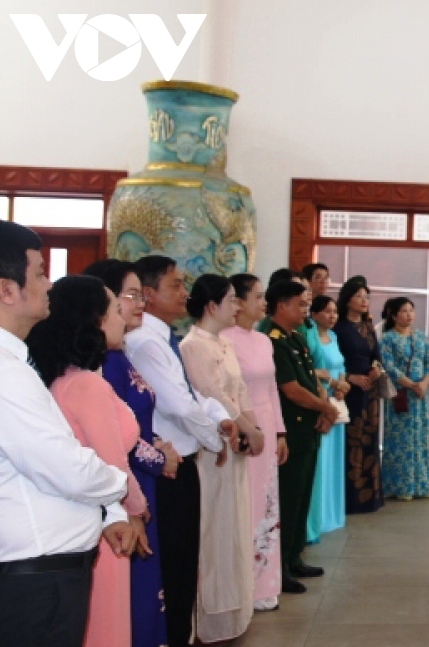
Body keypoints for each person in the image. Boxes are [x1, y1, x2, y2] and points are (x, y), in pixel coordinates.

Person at [0, 220, 134, 647]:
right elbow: (66, 468)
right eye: (40, 273)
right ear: (6, 290)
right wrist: (116, 484)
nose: (48, 285)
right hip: (32, 583)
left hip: (27, 574)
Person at [26, 276, 152, 647]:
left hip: (88, 519)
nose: (122, 317)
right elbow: (113, 465)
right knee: (104, 629)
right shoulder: (87, 385)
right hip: (104, 522)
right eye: (115, 309)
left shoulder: (63, 378)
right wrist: (137, 509)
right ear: (95, 320)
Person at [125, 255, 237, 647]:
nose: (184, 293)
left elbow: (194, 396)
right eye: (175, 285)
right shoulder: (144, 342)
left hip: (183, 461)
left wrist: (219, 422)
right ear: (149, 293)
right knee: (174, 567)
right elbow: (178, 404)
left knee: (185, 563)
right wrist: (213, 439)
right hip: (169, 470)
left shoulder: (164, 337)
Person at [83, 259, 175, 647]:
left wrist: (157, 447)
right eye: (132, 295)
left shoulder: (121, 353)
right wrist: (157, 456)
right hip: (125, 490)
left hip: (142, 486)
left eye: (141, 294)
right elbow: (111, 439)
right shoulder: (100, 362)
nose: (140, 303)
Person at [178, 274, 263, 641]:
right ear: (211, 305)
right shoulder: (193, 345)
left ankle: (234, 612)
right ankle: (210, 618)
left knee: (234, 528)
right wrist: (245, 427)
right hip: (213, 452)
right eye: (232, 299)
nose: (238, 305)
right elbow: (211, 395)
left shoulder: (223, 344)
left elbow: (240, 391)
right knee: (214, 530)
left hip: (236, 445)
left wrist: (252, 426)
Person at [265, 280, 339, 593]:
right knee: (288, 499)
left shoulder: (296, 337)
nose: (305, 310)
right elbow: (291, 389)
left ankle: (294, 557)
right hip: (290, 431)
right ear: (282, 304)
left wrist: (324, 408)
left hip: (308, 428)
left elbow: (312, 380)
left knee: (302, 497)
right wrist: (325, 407)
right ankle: (278, 568)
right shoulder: (272, 339)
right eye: (300, 304)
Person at [223, 273, 288, 610]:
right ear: (238, 303)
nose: (265, 302)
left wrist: (279, 432)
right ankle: (243, 585)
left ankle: (266, 584)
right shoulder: (224, 339)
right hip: (243, 430)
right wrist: (248, 428)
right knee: (245, 504)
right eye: (258, 297)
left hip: (265, 424)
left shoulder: (264, 340)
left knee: (267, 503)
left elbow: (272, 390)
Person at [332, 279, 386, 513]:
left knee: (370, 441)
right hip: (349, 390)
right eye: (359, 296)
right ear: (347, 300)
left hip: (370, 391)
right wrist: (351, 377)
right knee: (352, 442)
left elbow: (376, 355)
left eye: (367, 297)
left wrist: (376, 369)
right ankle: (351, 499)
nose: (364, 301)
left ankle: (369, 496)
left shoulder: (368, 326)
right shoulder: (339, 327)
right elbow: (332, 361)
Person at [379, 297, 429, 500]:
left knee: (421, 438)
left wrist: (423, 383)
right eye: (404, 311)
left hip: (421, 396)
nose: (409, 315)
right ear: (394, 315)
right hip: (400, 395)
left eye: (411, 310)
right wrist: (411, 384)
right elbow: (388, 366)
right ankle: (400, 486)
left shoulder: (421, 337)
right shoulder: (387, 338)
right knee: (400, 440)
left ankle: (425, 484)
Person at [306, 295, 350, 540]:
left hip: (337, 400)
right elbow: (313, 369)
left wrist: (342, 384)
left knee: (334, 458)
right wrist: (333, 382)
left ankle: (333, 513)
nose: (333, 316)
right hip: (322, 401)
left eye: (335, 311)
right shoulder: (310, 337)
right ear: (314, 314)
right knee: (321, 459)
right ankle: (319, 516)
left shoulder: (333, 337)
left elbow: (340, 366)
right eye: (327, 311)